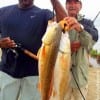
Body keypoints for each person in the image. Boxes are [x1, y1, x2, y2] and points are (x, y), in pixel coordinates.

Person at [0, 0, 54, 100]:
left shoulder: (44, 14)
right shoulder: (2, 12)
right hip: (7, 71)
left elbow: (64, 24)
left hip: (34, 75)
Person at [50, 0, 98, 100]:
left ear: (80, 6)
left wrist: (80, 29)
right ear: (65, 5)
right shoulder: (59, 21)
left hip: (80, 77)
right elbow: (51, 42)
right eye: (69, 2)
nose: (72, 5)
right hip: (60, 74)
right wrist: (67, 48)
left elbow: (91, 41)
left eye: (75, 2)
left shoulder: (88, 23)